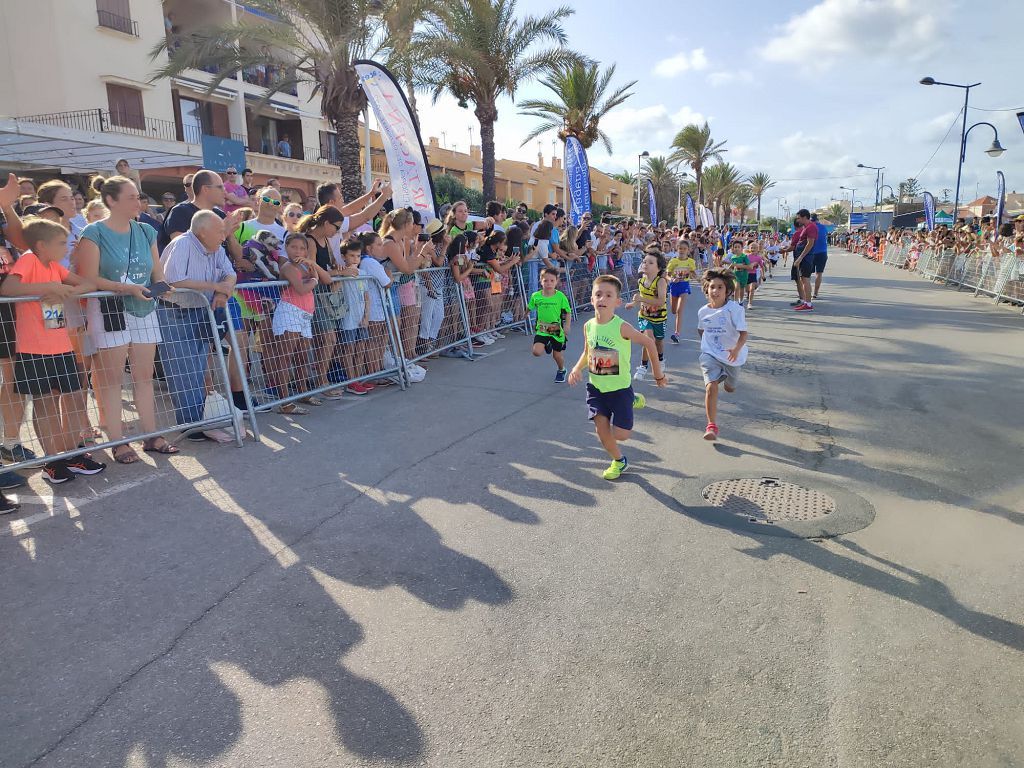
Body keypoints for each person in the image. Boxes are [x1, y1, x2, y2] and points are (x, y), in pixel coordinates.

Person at [76, 175, 177, 463]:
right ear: (111, 201)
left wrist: (164, 286)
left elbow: (156, 273)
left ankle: (152, 435)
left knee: (144, 377)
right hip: (110, 311)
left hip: (144, 309)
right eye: (132, 196)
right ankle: (119, 442)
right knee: (112, 381)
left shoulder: (146, 231)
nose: (139, 201)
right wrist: (126, 288)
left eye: (138, 196)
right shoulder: (93, 233)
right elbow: (89, 278)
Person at [0, 217, 104, 484]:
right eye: (61, 242)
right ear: (41, 246)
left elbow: (88, 284)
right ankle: (52, 461)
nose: (68, 246)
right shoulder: (28, 260)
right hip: (34, 349)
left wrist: (64, 292)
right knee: (45, 404)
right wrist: (47, 288)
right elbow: (9, 288)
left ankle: (71, 454)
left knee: (73, 398)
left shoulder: (55, 266)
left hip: (61, 346)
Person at [567, 275, 666, 480]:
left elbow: (648, 343)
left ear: (617, 302)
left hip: (620, 389)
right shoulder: (588, 326)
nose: (602, 298)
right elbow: (588, 352)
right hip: (596, 388)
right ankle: (619, 461)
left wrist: (658, 375)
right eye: (598, 294)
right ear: (592, 299)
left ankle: (632, 399)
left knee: (621, 435)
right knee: (601, 431)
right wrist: (577, 368)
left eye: (608, 295)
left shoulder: (622, 327)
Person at [158, 210, 237, 438]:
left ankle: (199, 421)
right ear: (202, 232)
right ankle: (191, 426)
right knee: (183, 371)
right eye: (220, 231)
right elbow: (173, 280)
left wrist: (223, 293)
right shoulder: (182, 244)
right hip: (175, 313)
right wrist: (215, 287)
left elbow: (230, 274)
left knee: (198, 368)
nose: (224, 237)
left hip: (201, 311)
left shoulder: (217, 248)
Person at [270, 232, 331, 413]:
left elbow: (327, 279)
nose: (298, 251)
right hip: (290, 313)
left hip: (306, 315)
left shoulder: (306, 266)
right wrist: (314, 280)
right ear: (286, 248)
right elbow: (301, 288)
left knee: (302, 356)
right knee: (285, 357)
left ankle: (302, 392)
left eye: (302, 248)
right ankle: (285, 401)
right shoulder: (288, 266)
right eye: (293, 247)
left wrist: (313, 266)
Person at [697, 268, 748, 442]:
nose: (715, 291)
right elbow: (701, 330)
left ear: (727, 291)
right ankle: (711, 425)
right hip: (710, 353)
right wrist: (709, 347)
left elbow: (743, 334)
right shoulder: (703, 311)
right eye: (712, 287)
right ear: (706, 289)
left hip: (733, 356)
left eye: (720, 287)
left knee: (730, 388)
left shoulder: (735, 310)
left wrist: (736, 349)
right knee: (711, 386)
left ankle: (726, 377)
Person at [336, 238, 374, 395]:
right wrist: (340, 273)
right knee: (349, 350)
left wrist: (366, 316)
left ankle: (358, 379)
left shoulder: (363, 273)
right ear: (344, 256)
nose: (355, 259)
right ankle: (351, 381)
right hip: (348, 319)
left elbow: (366, 297)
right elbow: (334, 289)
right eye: (351, 256)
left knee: (361, 348)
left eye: (358, 256)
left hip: (361, 318)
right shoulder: (341, 273)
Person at [627, 246, 668, 382]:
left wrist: (641, 299)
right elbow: (639, 297)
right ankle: (643, 366)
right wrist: (633, 304)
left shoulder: (660, 282)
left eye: (650, 263)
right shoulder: (641, 281)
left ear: (658, 268)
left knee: (659, 342)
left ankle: (660, 360)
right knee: (647, 340)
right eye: (644, 261)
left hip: (659, 318)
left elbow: (661, 301)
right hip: (644, 316)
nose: (646, 264)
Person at [529, 267, 572, 382]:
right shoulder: (536, 296)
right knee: (536, 352)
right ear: (541, 281)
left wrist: (567, 325)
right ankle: (547, 342)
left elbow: (568, 312)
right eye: (546, 281)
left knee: (556, 356)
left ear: (556, 281)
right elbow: (530, 307)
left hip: (556, 330)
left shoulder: (560, 296)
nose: (549, 283)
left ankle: (562, 370)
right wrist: (526, 312)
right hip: (542, 329)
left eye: (552, 281)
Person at [667, 241, 696, 344]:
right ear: (677, 249)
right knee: (674, 311)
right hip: (674, 286)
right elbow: (667, 275)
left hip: (684, 286)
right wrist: (671, 279)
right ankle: (676, 332)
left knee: (679, 311)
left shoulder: (691, 262)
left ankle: (677, 334)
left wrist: (694, 275)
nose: (682, 250)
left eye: (684, 249)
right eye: (680, 248)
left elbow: (693, 274)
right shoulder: (673, 261)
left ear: (688, 250)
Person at [791, 209, 817, 311]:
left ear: (804, 217)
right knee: (803, 280)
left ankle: (808, 304)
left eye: (798, 217)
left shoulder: (811, 227)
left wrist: (801, 257)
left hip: (806, 257)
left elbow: (810, 243)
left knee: (805, 280)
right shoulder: (807, 227)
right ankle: (806, 302)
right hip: (803, 257)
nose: (797, 220)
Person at [808, 213, 829, 300]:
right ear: (817, 220)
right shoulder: (823, 227)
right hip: (822, 252)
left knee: (807, 274)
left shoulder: (809, 227)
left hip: (811, 252)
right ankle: (815, 293)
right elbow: (826, 236)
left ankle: (808, 291)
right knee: (819, 273)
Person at [726, 239, 750, 303]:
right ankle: (735, 302)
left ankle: (741, 301)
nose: (737, 248)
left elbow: (749, 266)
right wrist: (727, 271)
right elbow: (732, 266)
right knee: (736, 287)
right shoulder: (733, 257)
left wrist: (740, 266)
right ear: (733, 248)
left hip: (744, 275)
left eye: (738, 247)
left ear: (742, 248)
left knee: (742, 289)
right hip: (736, 275)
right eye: (735, 247)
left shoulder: (744, 257)